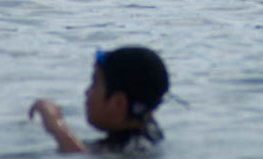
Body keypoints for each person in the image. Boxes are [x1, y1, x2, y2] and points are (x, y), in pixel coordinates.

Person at [29, 46, 170, 154]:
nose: (87, 92)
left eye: (94, 84)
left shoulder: (136, 147)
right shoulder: (149, 130)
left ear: (118, 104)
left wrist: (55, 124)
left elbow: (82, 156)